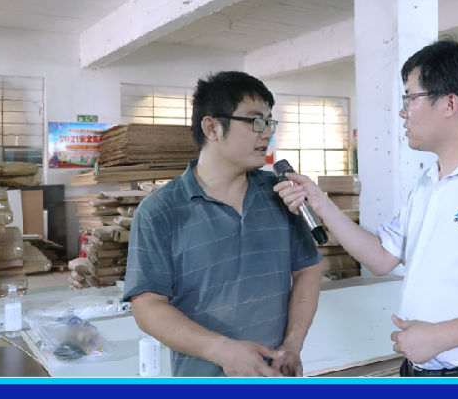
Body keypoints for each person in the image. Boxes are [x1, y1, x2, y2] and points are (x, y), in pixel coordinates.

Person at [275, 39, 458, 377]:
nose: (403, 111)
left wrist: (439, 337)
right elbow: (382, 256)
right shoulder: (430, 183)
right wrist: (320, 203)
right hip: (418, 370)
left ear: (450, 103)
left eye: (411, 98)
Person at [123, 71, 323, 377]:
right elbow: (147, 306)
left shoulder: (279, 195)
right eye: (255, 121)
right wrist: (222, 351)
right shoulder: (160, 211)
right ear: (212, 127)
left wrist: (293, 344)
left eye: (269, 123)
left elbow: (308, 268)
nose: (266, 134)